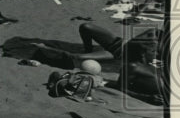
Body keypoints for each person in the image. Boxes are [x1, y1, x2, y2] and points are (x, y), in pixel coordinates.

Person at [32, 22, 165, 99]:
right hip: (119, 44)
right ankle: (88, 51)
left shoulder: (155, 55)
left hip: (119, 56)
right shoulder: (155, 34)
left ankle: (44, 50)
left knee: (76, 57)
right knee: (86, 26)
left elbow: (144, 62)